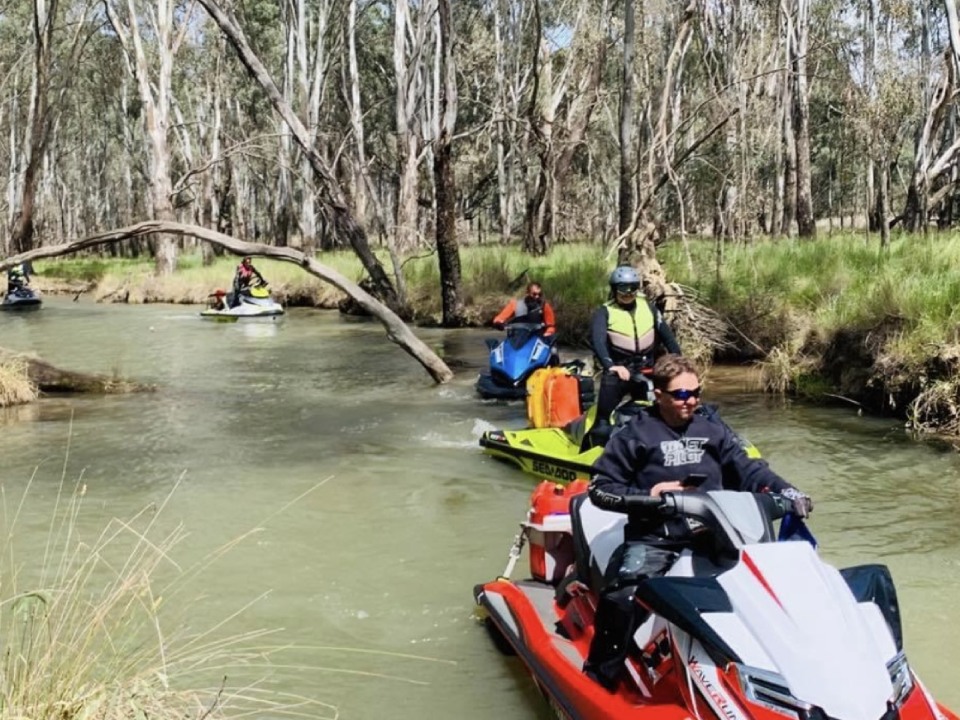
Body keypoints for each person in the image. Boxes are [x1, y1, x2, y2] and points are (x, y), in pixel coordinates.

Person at [582, 354, 813, 692]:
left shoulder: (712, 427)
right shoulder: (635, 434)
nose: (689, 400)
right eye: (680, 394)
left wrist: (787, 491)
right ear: (658, 394)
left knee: (780, 584)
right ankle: (600, 678)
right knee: (623, 596)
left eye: (695, 392)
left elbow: (749, 469)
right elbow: (601, 490)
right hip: (657, 538)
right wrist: (650, 496)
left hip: (719, 531)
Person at [585, 265, 682, 448]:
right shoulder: (604, 312)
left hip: (648, 369)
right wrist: (610, 366)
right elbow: (597, 341)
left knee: (663, 411)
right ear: (614, 290)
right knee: (603, 421)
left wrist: (679, 361)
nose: (628, 293)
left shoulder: (650, 308)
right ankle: (596, 458)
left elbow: (668, 337)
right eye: (623, 288)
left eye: (632, 288)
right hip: (619, 371)